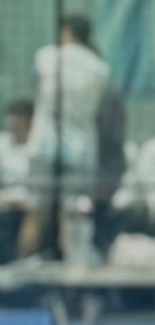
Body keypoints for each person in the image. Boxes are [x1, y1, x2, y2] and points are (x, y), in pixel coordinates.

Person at [18, 14, 111, 257]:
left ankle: (23, 268)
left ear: (67, 32)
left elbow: (36, 87)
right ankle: (70, 273)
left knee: (36, 212)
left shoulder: (46, 56)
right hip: (80, 149)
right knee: (71, 215)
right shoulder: (100, 68)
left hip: (45, 145)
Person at [0, 97, 31, 263]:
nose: (15, 132)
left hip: (31, 206)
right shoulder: (3, 144)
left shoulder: (39, 148)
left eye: (19, 128)